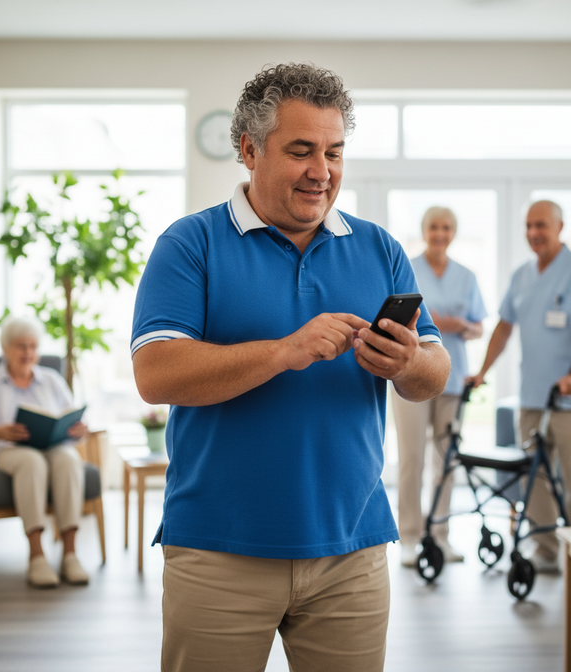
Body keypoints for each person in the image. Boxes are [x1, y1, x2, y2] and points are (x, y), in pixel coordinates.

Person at [131, 62, 450, 672]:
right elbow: (156, 374)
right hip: (218, 550)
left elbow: (434, 371)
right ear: (250, 151)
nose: (321, 172)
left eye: (333, 152)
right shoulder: (190, 244)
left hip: (351, 552)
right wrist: (285, 350)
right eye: (301, 150)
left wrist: (408, 362)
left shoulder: (379, 247)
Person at [468, 200, 571, 572]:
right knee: (536, 480)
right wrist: (481, 372)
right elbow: (503, 328)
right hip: (532, 398)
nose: (534, 233)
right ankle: (546, 551)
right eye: (529, 226)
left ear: (560, 226)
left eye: (541, 225)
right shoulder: (521, 275)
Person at [0, 316, 90, 588]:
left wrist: (76, 428)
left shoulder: (51, 380)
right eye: (20, 346)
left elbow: (68, 414)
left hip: (51, 447)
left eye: (32, 346)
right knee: (31, 462)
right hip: (7, 450)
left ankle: (69, 554)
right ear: (5, 348)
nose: (28, 353)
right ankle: (37, 556)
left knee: (68, 459)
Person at [392, 206, 486, 567]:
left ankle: (441, 535)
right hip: (410, 376)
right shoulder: (407, 269)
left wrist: (461, 324)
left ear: (454, 232)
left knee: (446, 460)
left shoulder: (466, 275)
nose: (440, 233)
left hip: (453, 374)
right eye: (434, 226)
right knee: (412, 457)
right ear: (425, 230)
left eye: (446, 227)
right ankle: (411, 538)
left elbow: (479, 326)